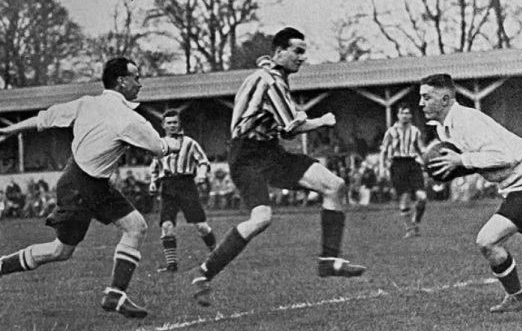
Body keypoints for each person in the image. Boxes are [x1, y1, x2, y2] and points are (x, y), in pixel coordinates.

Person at [191, 27, 364, 305]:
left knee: (334, 186)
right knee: (261, 218)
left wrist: (297, 119)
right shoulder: (271, 82)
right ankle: (203, 273)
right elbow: (291, 128)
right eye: (297, 51)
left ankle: (328, 260)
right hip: (247, 156)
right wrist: (322, 121)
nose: (302, 58)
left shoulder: (271, 76)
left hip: (269, 151)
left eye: (304, 52)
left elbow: (282, 128)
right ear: (280, 52)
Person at [0, 56, 176, 318]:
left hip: (88, 182)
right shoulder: (128, 119)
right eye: (136, 77)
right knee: (60, 251)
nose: (140, 83)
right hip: (80, 187)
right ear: (121, 81)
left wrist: (10, 130)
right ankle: (2, 266)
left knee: (135, 226)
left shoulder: (87, 103)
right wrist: (173, 144)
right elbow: (158, 148)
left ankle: (115, 295)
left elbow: (45, 118)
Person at [418, 71, 522, 312]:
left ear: (445, 99)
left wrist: (461, 161)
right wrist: (451, 168)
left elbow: (503, 157)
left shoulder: (467, 121)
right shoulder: (444, 128)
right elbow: (474, 160)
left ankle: (517, 297)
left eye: (426, 97)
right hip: (520, 184)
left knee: (487, 241)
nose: (421, 103)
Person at [149, 109, 216, 273]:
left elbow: (203, 161)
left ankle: (217, 255)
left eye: (175, 122)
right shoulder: (159, 144)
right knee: (166, 225)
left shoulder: (189, 143)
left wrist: (201, 175)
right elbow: (155, 167)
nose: (172, 125)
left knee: (201, 225)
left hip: (186, 184)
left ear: (179, 124)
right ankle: (172, 266)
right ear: (163, 125)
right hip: (168, 186)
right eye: (169, 123)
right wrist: (153, 183)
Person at [378, 106, 428, 237]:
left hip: (413, 164)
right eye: (402, 113)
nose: (405, 116)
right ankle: (409, 229)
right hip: (397, 164)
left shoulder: (415, 131)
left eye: (407, 113)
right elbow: (383, 151)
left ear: (411, 116)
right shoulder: (391, 132)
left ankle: (416, 222)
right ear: (398, 115)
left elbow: (421, 149)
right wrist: (382, 168)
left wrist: (427, 162)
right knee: (404, 197)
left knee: (422, 197)